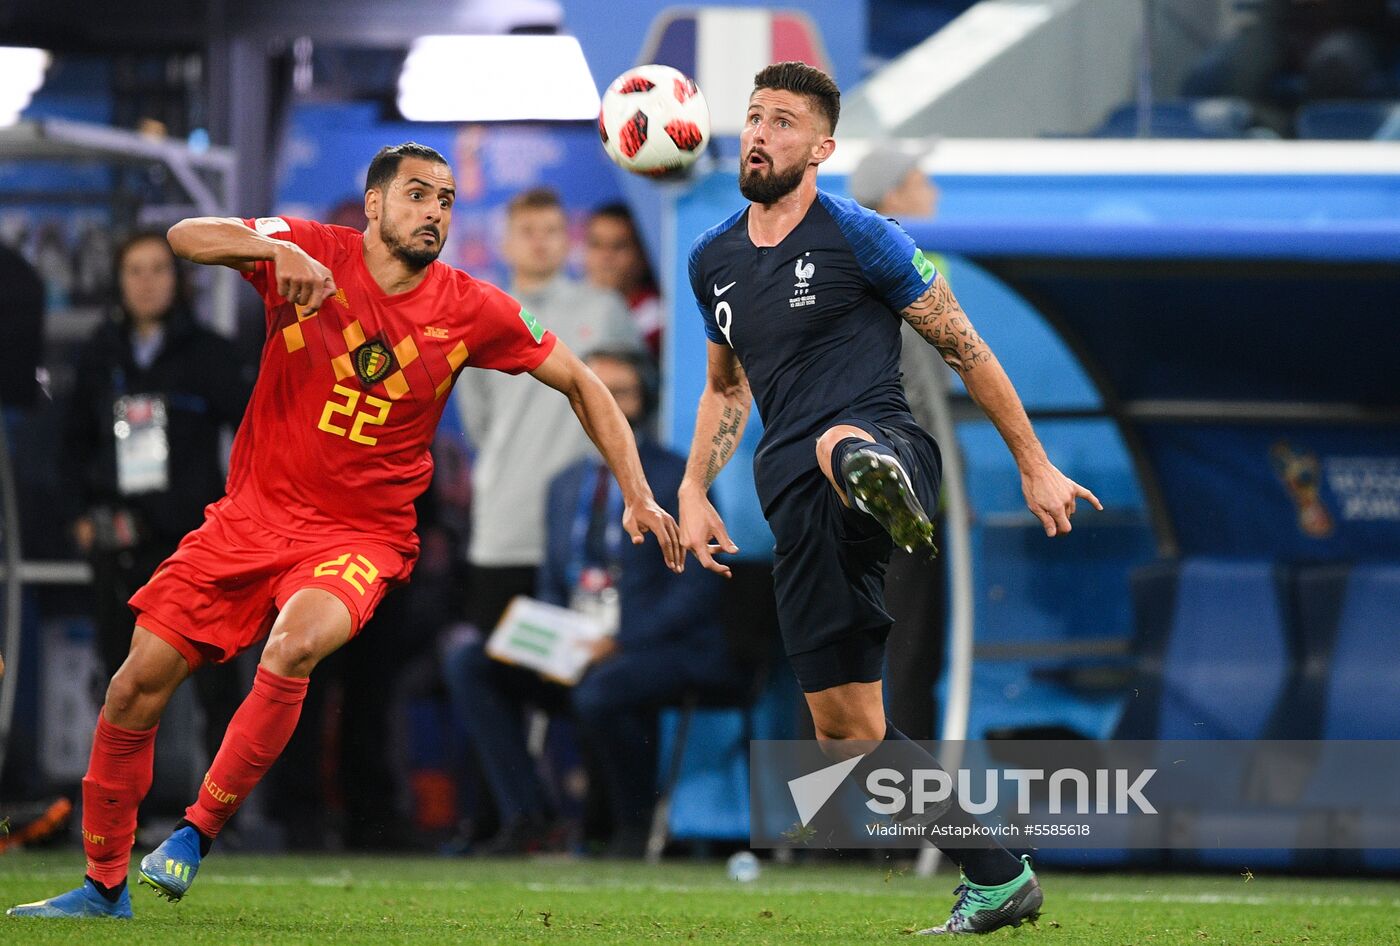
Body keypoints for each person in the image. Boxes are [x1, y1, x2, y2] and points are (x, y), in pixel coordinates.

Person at [9, 142, 682, 920]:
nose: (435, 211)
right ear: (374, 205)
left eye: (447, 201)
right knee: (132, 688)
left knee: (294, 644)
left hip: (359, 536)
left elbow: (583, 381)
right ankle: (101, 888)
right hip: (249, 520)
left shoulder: (470, 307)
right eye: (419, 195)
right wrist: (265, 247)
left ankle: (194, 835)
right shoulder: (307, 252)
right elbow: (186, 235)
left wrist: (637, 492)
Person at [680, 63, 1100, 935]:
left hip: (883, 440)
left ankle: (876, 480)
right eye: (754, 117)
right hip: (794, 501)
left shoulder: (863, 235)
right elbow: (727, 391)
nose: (760, 133)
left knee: (839, 439)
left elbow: (965, 347)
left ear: (822, 147)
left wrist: (1034, 463)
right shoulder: (712, 257)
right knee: (849, 733)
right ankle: (996, 874)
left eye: (784, 122)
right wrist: (690, 486)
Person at [443, 349, 743, 857]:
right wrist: (546, 634)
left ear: (644, 399)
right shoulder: (562, 485)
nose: (610, 405)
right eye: (596, 392)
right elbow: (553, 584)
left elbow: (697, 591)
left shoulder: (678, 480)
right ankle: (529, 817)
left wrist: (617, 642)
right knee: (471, 661)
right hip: (579, 644)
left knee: (601, 691)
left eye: (622, 392)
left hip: (661, 648)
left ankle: (632, 827)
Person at [59, 232, 249, 776]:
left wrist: (242, 518)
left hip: (196, 543)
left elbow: (255, 434)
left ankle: (220, 814)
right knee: (122, 680)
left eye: (158, 270)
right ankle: (117, 805)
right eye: (135, 270)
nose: (146, 282)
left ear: (179, 279)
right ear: (118, 280)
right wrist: (81, 517)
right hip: (120, 542)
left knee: (216, 680)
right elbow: (71, 445)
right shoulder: (100, 353)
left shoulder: (210, 353)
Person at [454, 188, 638, 669]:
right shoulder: (479, 317)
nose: (541, 243)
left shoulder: (604, 310)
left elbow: (635, 406)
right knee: (498, 675)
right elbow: (478, 427)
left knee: (583, 682)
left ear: (567, 241)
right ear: (505, 244)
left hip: (584, 532)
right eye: (528, 232)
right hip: (504, 528)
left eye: (552, 231)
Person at [849, 144, 947, 741]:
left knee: (869, 664)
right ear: (894, 199)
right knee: (903, 660)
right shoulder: (890, 278)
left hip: (871, 491)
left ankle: (854, 827)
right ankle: (899, 827)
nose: (932, 192)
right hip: (894, 497)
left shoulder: (858, 271)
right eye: (920, 180)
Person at [583, 203, 663, 357]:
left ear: (642, 256)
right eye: (596, 244)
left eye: (618, 246)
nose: (606, 256)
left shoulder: (656, 319)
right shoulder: (568, 304)